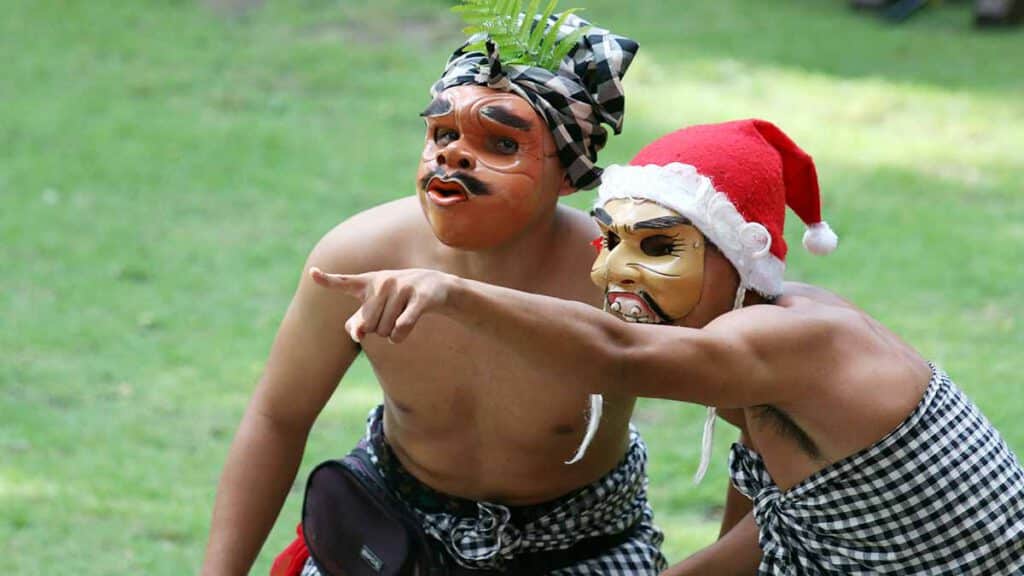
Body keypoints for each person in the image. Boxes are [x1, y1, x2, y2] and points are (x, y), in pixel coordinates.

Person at [313, 119, 1024, 574]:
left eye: (659, 247)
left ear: (737, 258)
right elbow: (777, 523)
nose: (620, 270)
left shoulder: (789, 339)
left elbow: (619, 354)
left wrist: (453, 294)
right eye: (612, 241)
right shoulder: (753, 349)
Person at [201, 6, 671, 575]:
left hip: (580, 544)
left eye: (500, 143)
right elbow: (278, 416)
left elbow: (760, 401)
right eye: (442, 133)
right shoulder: (356, 258)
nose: (452, 156)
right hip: (392, 527)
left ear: (571, 171)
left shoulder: (625, 274)